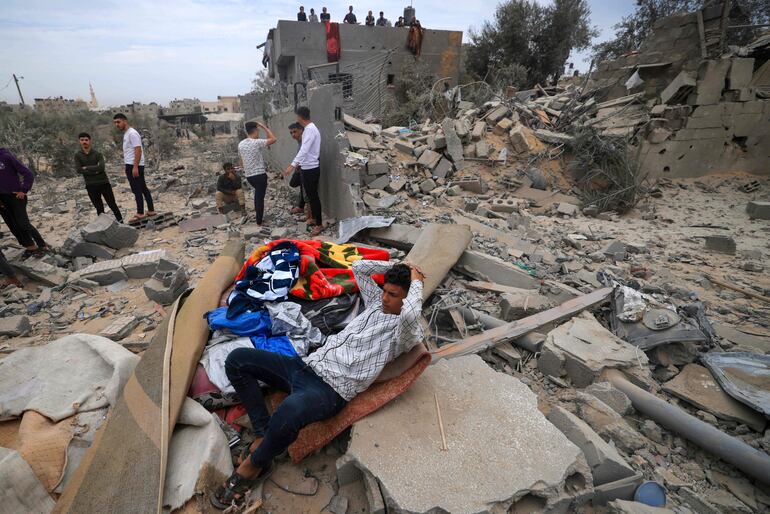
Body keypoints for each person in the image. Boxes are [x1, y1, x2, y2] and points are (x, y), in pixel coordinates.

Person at [211, 261, 426, 510]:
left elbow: (410, 313)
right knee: (237, 360)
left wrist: (417, 278)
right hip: (306, 366)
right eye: (385, 291)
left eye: (394, 295)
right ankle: (262, 433)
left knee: (288, 411)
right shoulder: (377, 304)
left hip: (329, 389)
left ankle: (253, 465)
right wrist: (401, 265)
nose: (386, 297)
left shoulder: (406, 332)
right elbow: (359, 268)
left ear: (409, 297)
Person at [0, 148, 49, 254]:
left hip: (16, 197)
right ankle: (30, 247)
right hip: (1, 200)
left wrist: (24, 190)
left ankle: (42, 244)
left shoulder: (6, 157)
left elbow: (28, 174)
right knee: (13, 225)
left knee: (23, 224)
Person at [282, 106, 322, 236]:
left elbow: (304, 150)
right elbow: (306, 151)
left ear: (299, 117)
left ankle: (319, 224)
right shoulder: (309, 129)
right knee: (310, 196)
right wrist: (299, 165)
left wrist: (292, 165)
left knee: (313, 197)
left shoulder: (310, 130)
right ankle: (314, 219)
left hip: (311, 169)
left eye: (296, 117)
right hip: (306, 167)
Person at [113, 113, 155, 222]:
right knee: (142, 188)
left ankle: (140, 213)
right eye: (115, 123)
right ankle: (151, 210)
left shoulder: (132, 133)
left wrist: (135, 167)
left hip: (134, 165)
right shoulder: (127, 133)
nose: (117, 124)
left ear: (125, 121)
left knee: (137, 189)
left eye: (118, 122)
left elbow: (138, 150)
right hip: (132, 164)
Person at [74, 133, 123, 222]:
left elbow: (101, 167)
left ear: (90, 141)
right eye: (82, 140)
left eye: (86, 140)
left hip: (104, 183)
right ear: (79, 141)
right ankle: (103, 227)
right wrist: (95, 169)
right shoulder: (78, 155)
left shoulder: (97, 154)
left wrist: (86, 167)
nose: (84, 142)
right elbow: (79, 170)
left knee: (112, 204)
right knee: (99, 208)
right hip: (91, 185)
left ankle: (121, 222)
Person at [238, 121, 276, 226]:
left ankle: (258, 217)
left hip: (249, 176)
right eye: (258, 130)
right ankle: (259, 221)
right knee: (260, 198)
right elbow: (273, 139)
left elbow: (241, 161)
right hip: (260, 175)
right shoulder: (257, 142)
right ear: (255, 130)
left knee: (257, 196)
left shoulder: (241, 144)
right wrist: (265, 127)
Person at [287, 123, 308, 218]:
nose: (292, 135)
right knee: (296, 184)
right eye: (291, 133)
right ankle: (301, 206)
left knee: (305, 190)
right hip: (300, 169)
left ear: (301, 130)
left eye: (294, 132)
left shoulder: (305, 141)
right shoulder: (299, 141)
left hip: (306, 169)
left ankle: (310, 216)